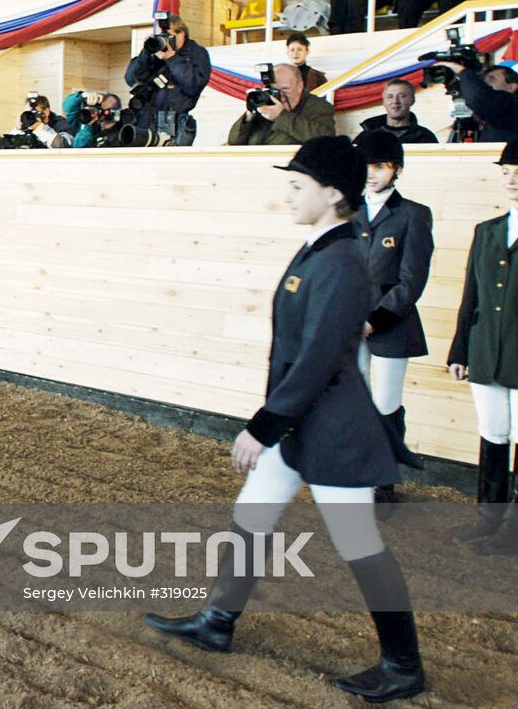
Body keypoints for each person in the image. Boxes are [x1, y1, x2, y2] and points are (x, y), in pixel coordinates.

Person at [144, 136, 425, 705]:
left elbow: (320, 357)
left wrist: (264, 425)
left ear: (335, 193)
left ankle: (403, 664)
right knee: (253, 511)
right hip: (300, 425)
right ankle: (217, 622)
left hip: (331, 429)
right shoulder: (320, 249)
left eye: (299, 186)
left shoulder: (344, 262)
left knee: (357, 541)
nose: (288, 195)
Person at [447, 135, 518, 555]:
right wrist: (460, 350)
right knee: (492, 430)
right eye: (506, 172)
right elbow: (470, 295)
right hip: (484, 347)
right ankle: (488, 518)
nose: (511, 179)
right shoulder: (487, 230)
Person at [353, 131, 434, 510]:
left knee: (386, 403)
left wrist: (375, 319)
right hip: (349, 320)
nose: (372, 174)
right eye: (367, 166)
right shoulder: (348, 209)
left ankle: (383, 481)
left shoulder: (412, 214)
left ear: (395, 169)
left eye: (380, 166)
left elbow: (411, 279)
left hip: (390, 322)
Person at [122, 14, 211, 146]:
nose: (164, 40)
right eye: (160, 36)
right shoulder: (154, 52)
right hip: (144, 119)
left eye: (168, 36)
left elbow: (193, 85)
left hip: (173, 122)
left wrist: (172, 58)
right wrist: (146, 53)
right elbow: (131, 79)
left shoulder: (196, 53)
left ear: (181, 34)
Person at [227, 63, 336, 146]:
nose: (280, 95)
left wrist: (281, 116)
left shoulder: (318, 106)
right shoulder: (267, 103)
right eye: (274, 90)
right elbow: (233, 142)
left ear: (300, 86)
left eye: (285, 89)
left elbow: (327, 140)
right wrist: (249, 115)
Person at [443, 60, 518, 142]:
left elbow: (479, 98)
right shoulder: (494, 113)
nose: (485, 83)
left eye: (492, 79)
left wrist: (460, 70)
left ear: (511, 87)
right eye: (483, 80)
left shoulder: (516, 103)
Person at [355, 80, 440, 144]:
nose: (395, 101)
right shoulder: (366, 136)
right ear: (383, 102)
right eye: (390, 97)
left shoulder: (425, 137)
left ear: (412, 100)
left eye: (402, 96)